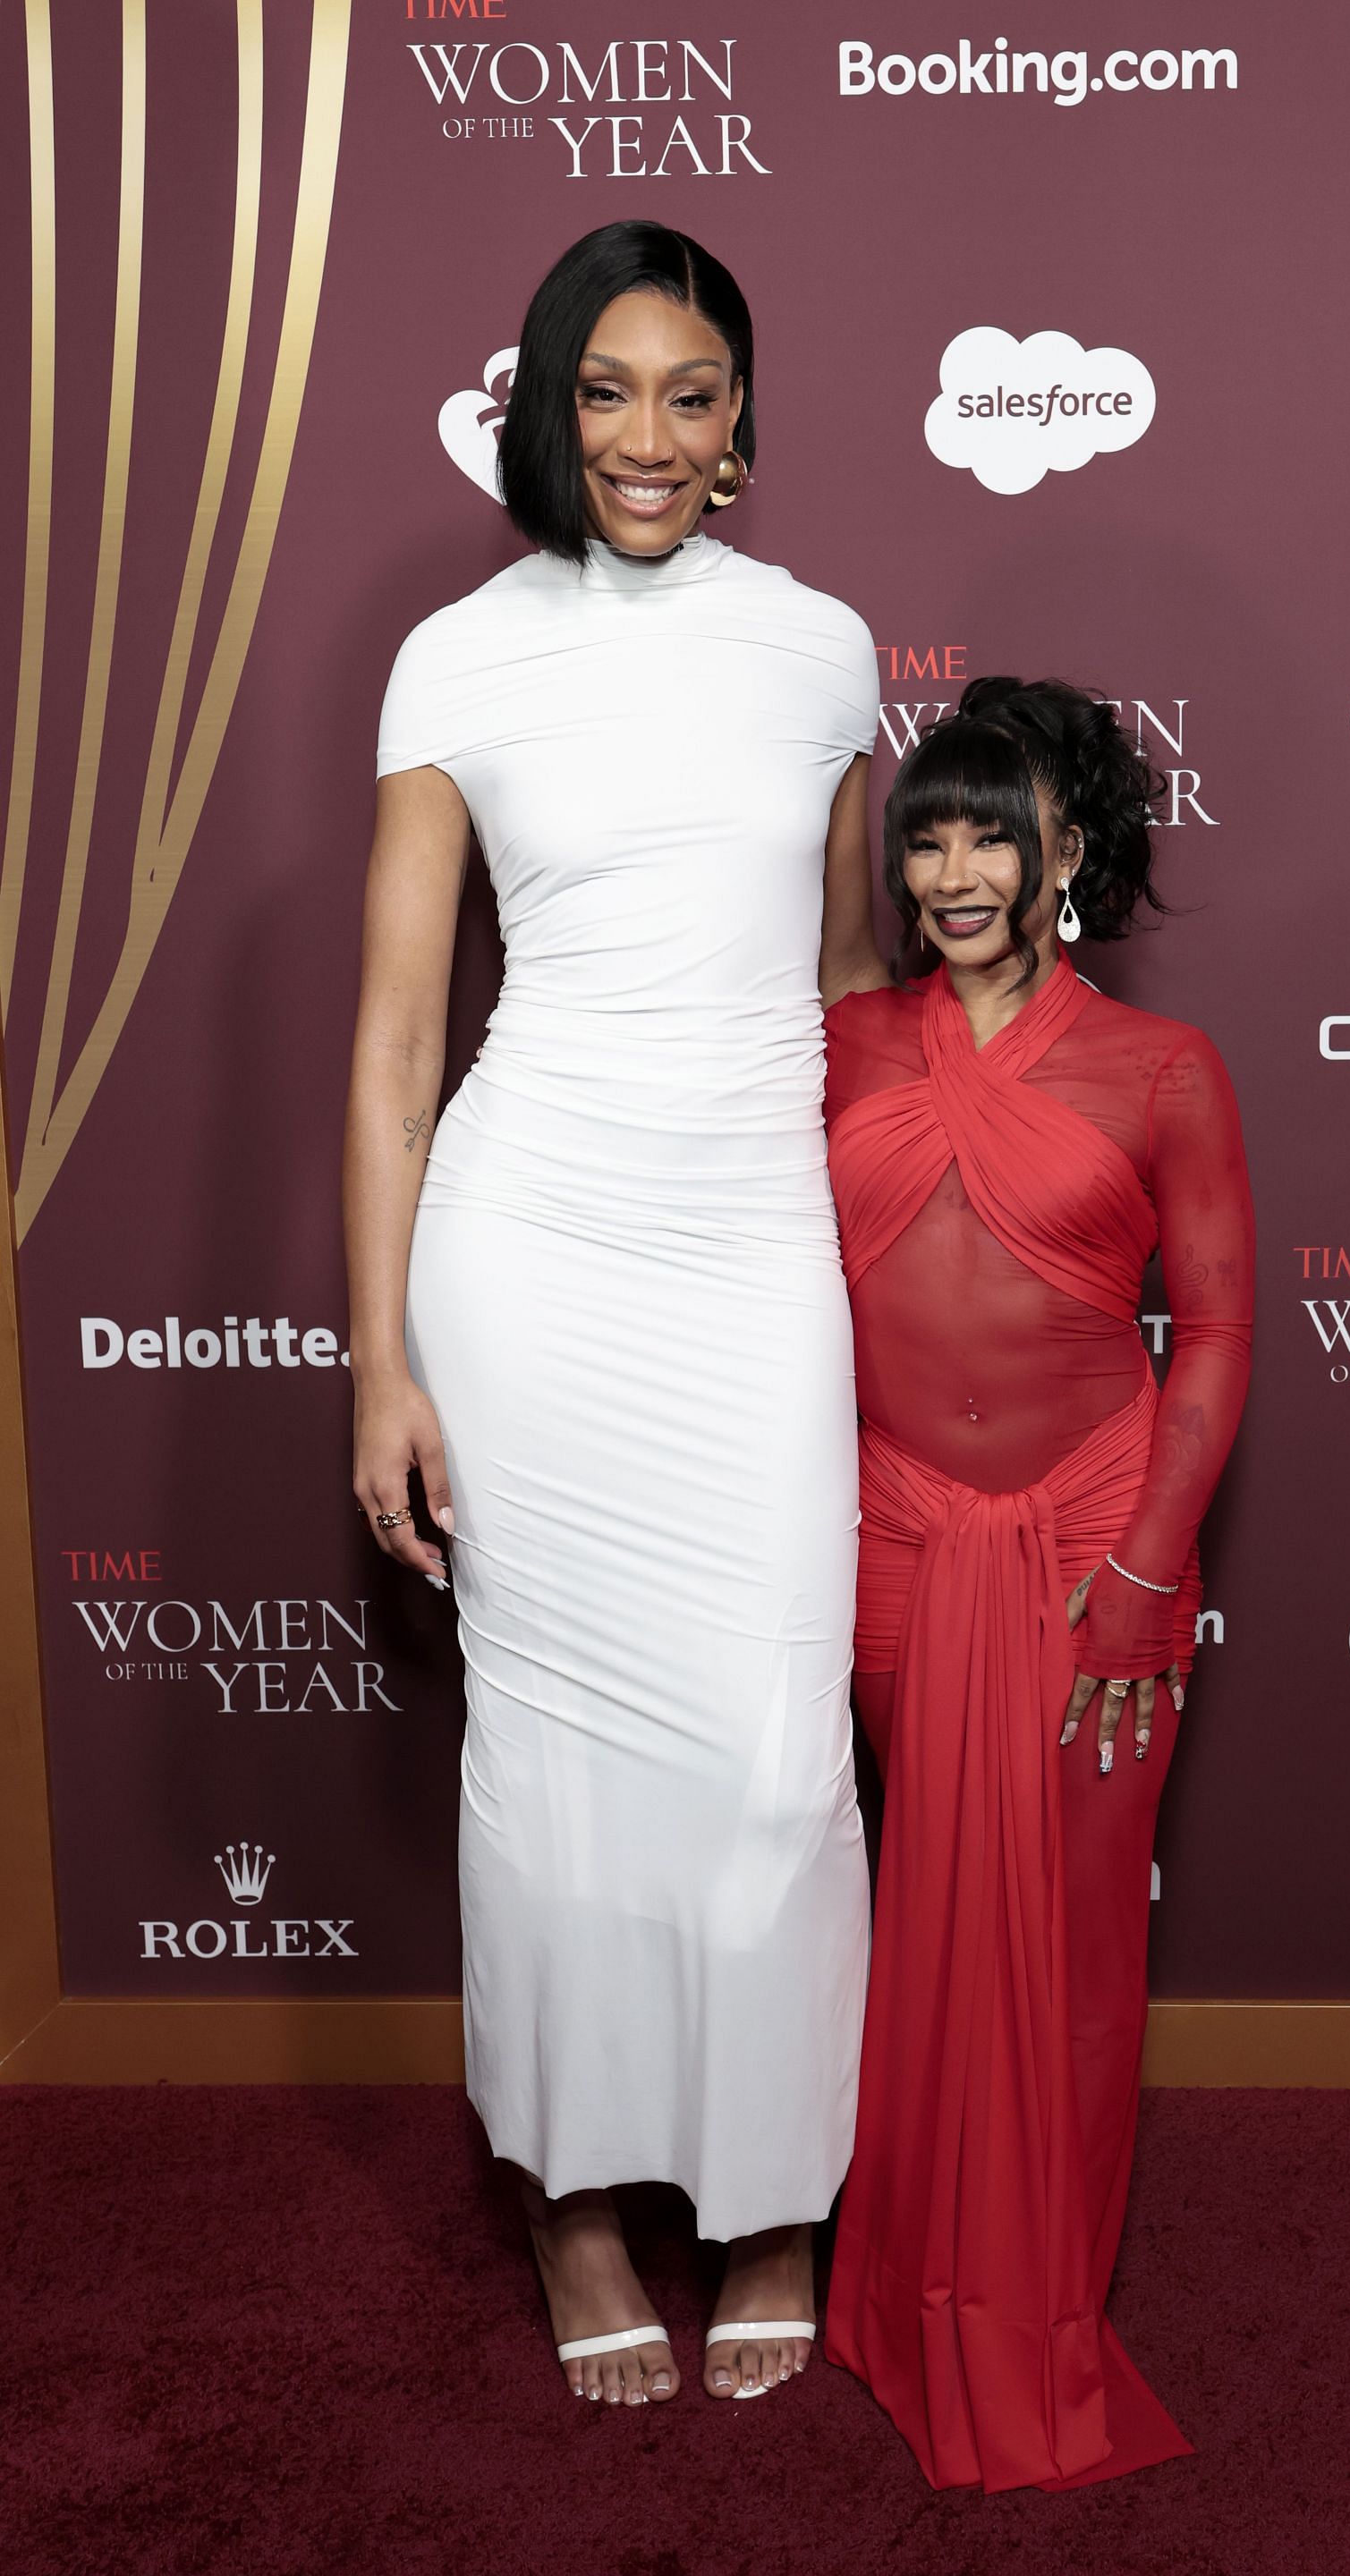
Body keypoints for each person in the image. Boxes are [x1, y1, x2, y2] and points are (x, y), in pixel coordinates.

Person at [343, 221, 884, 2411]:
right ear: (544, 411)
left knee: (776, 1761)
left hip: (756, 1251)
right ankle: (573, 2204)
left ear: (743, 418)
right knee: (550, 1766)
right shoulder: (453, 662)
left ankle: (764, 2199)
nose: (650, 436)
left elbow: (850, 997)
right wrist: (382, 1359)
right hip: (530, 1251)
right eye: (606, 391)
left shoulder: (828, 651)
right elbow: (394, 1050)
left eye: (692, 392)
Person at [821, 677, 1254, 2490]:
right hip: (891, 1536)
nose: (956, 867)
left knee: (1070, 1945)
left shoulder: (1161, 1068)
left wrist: (1151, 1572)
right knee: (914, 1926)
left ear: (1066, 850)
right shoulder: (836, 1045)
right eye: (928, 833)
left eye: (992, 830)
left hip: (1094, 1535)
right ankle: (908, 2285)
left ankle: (1044, 2311)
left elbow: (1220, 1332)